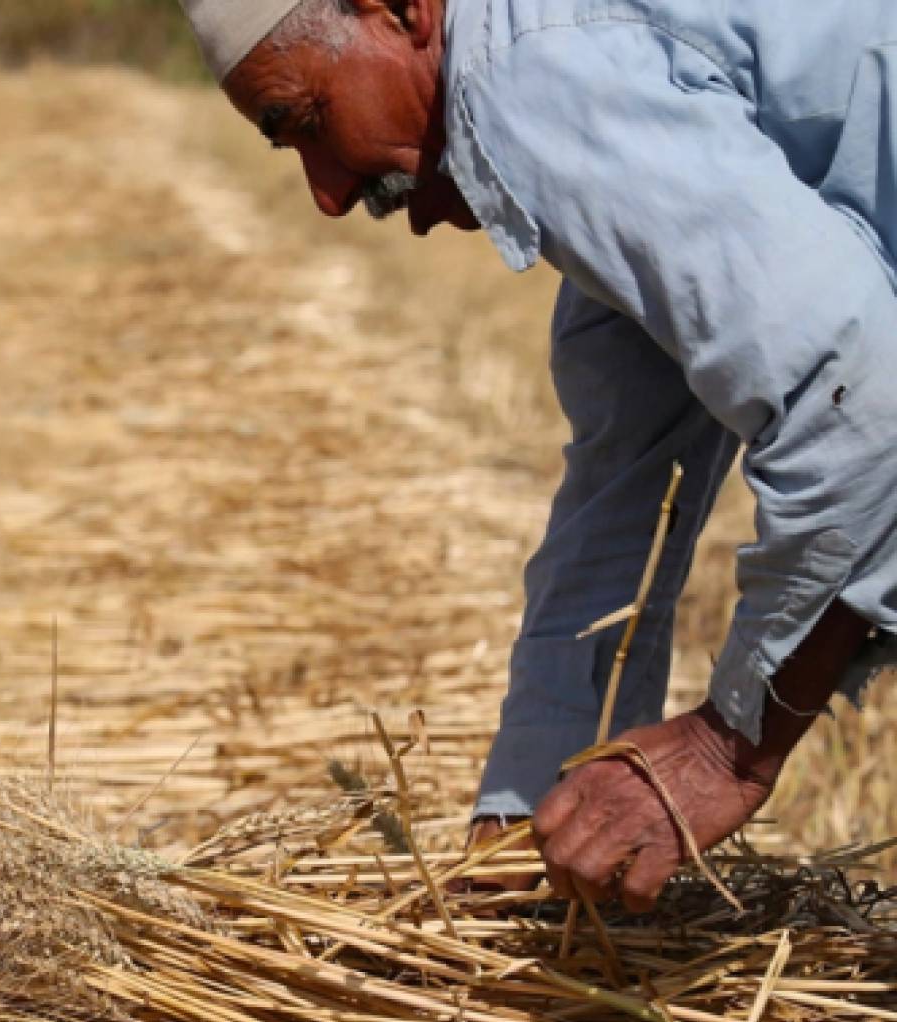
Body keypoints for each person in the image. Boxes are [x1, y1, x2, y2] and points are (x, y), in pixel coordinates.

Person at [181, 0, 897, 912]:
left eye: (307, 123)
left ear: (399, 12)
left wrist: (728, 748)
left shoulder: (530, 78)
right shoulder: (577, 67)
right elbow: (627, 483)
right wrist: (526, 812)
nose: (327, 193)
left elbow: (861, 397)